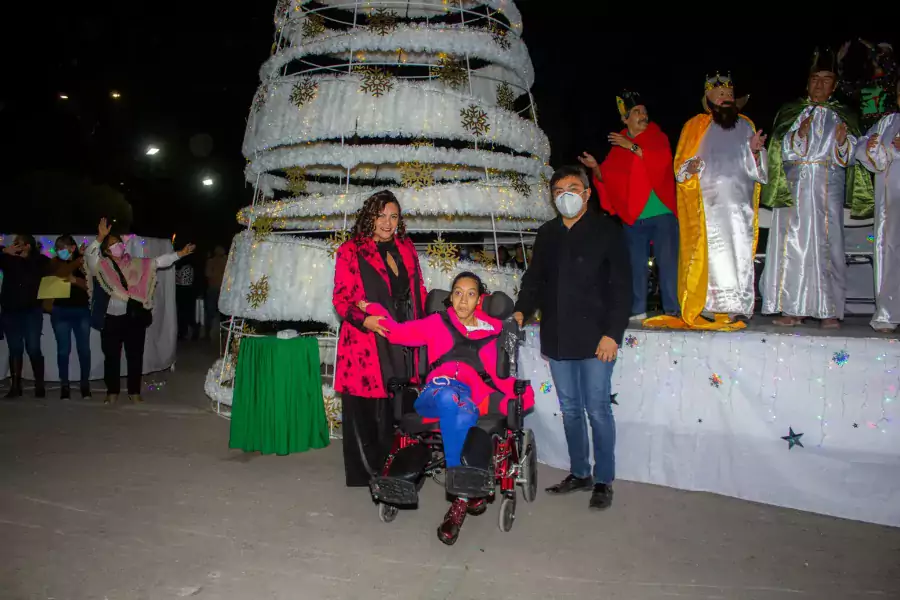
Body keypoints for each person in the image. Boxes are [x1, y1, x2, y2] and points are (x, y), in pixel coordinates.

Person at [360, 271, 535, 545]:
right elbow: (396, 332)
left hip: (469, 400)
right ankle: (464, 491)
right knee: (448, 397)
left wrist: (519, 394)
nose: (462, 300)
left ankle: (461, 499)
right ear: (450, 297)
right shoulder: (435, 323)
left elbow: (502, 377)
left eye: (470, 294)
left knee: (462, 407)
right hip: (434, 394)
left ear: (479, 300)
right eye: (457, 293)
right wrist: (370, 308)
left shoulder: (492, 333)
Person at [513, 165, 631, 511]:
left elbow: (622, 287)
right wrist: (522, 310)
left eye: (573, 188)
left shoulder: (606, 230)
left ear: (587, 192)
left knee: (596, 408)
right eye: (558, 190)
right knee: (570, 410)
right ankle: (580, 472)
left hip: (598, 338)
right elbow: (534, 280)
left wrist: (613, 334)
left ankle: (603, 479)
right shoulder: (548, 233)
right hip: (558, 335)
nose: (565, 195)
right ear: (552, 197)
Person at [644, 73, 768, 331]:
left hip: (740, 206)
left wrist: (756, 151)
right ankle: (709, 306)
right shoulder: (695, 126)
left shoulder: (746, 125)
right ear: (708, 99)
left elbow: (758, 171)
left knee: (740, 254)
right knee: (712, 254)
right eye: (720, 94)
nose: (725, 98)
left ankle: (736, 307)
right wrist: (692, 166)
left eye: (730, 95)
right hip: (708, 207)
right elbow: (680, 169)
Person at [761, 48, 874, 329]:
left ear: (834, 85)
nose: (819, 84)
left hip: (827, 186)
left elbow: (850, 158)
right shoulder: (792, 112)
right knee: (792, 245)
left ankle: (829, 310)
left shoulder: (843, 116)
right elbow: (780, 150)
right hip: (795, 186)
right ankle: (791, 308)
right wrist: (798, 134)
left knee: (828, 246)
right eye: (815, 79)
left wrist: (841, 143)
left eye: (826, 79)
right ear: (807, 83)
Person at [332, 190, 427, 488]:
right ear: (369, 217)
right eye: (381, 215)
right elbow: (341, 299)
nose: (387, 222)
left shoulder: (406, 248)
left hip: (402, 335)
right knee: (366, 409)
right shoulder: (351, 250)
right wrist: (366, 320)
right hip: (366, 339)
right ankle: (367, 473)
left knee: (397, 406)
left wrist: (424, 326)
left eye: (394, 216)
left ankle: (398, 469)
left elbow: (418, 288)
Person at [578, 90, 678, 322]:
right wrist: (595, 167)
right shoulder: (618, 147)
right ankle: (638, 308)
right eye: (636, 112)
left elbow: (661, 162)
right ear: (625, 119)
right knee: (635, 265)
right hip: (634, 217)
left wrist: (631, 146)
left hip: (661, 211)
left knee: (668, 261)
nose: (643, 115)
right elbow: (609, 178)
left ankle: (673, 310)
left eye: (644, 111)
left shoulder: (657, 137)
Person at [86, 219, 195, 405]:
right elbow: (89, 257)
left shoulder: (136, 263)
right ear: (105, 250)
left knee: (135, 355)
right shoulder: (101, 266)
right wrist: (100, 237)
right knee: (111, 356)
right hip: (110, 318)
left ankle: (134, 391)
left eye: (118, 242)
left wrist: (179, 254)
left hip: (133, 317)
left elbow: (158, 262)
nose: (117, 246)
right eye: (111, 244)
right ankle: (112, 391)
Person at [855, 80, 900, 332]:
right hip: (891, 200)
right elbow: (862, 147)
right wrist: (872, 146)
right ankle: (889, 312)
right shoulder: (888, 122)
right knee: (891, 252)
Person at [1, 234, 48, 399]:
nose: (14, 246)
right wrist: (4, 252)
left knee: (33, 348)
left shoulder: (39, 260)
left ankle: (39, 385)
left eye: (18, 243)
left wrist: (22, 257)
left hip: (31, 311)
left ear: (27, 246)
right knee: (15, 349)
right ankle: (15, 386)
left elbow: (47, 268)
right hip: (10, 311)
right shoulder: (7, 259)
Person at [47, 235, 92, 399]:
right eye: (58, 248)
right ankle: (64, 385)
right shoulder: (54, 262)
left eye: (63, 248)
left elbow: (92, 285)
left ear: (72, 247)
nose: (60, 251)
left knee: (84, 350)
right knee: (63, 351)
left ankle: (85, 384)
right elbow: (60, 274)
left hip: (81, 311)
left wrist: (76, 280)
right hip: (60, 311)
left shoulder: (85, 263)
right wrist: (77, 260)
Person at [204, 246, 227, 340]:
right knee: (212, 311)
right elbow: (208, 273)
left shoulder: (222, 261)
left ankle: (221, 332)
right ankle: (209, 333)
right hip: (216, 289)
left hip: (221, 289)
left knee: (221, 312)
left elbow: (208, 274)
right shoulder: (212, 262)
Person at [175, 259, 198, 340]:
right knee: (187, 312)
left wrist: (175, 276)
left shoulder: (185, 268)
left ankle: (183, 332)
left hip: (183, 290)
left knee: (183, 313)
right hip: (188, 290)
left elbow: (180, 280)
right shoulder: (190, 267)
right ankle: (188, 332)